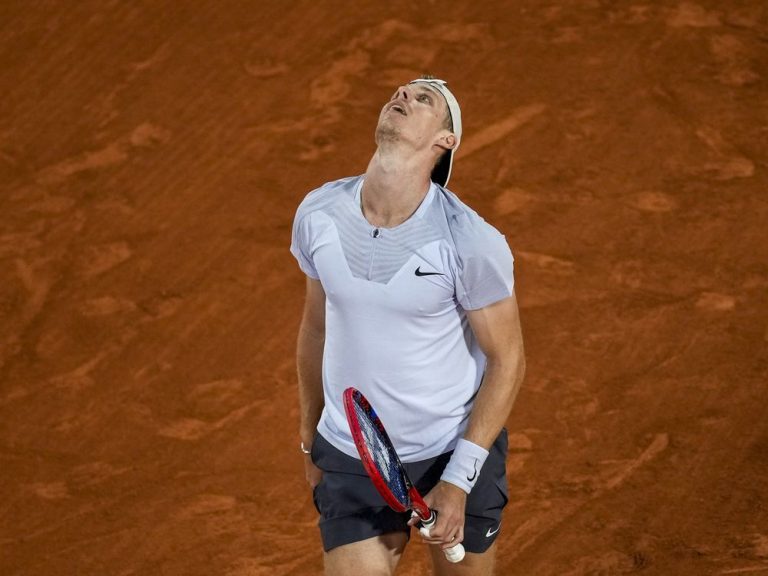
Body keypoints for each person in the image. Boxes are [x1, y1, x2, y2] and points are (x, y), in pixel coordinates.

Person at [290, 77, 526, 576]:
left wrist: (459, 480)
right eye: (400, 92)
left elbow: (508, 360)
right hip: (355, 453)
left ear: (447, 141)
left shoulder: (469, 243)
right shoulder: (319, 213)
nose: (402, 96)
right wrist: (312, 439)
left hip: (451, 450)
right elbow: (315, 329)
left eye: (425, 100)